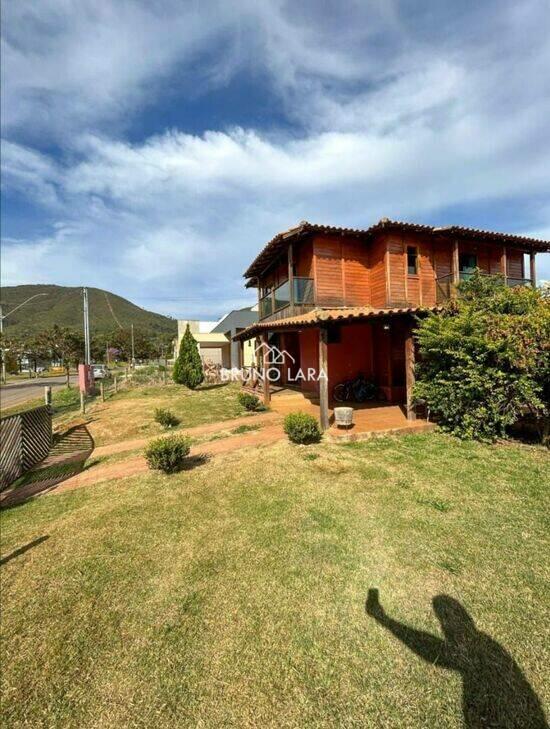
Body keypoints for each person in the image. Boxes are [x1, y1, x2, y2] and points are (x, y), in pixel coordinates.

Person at [366, 589, 547, 728]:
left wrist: (385, 619)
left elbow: (433, 650)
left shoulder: (477, 645)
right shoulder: (484, 645)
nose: (444, 625)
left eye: (444, 618)